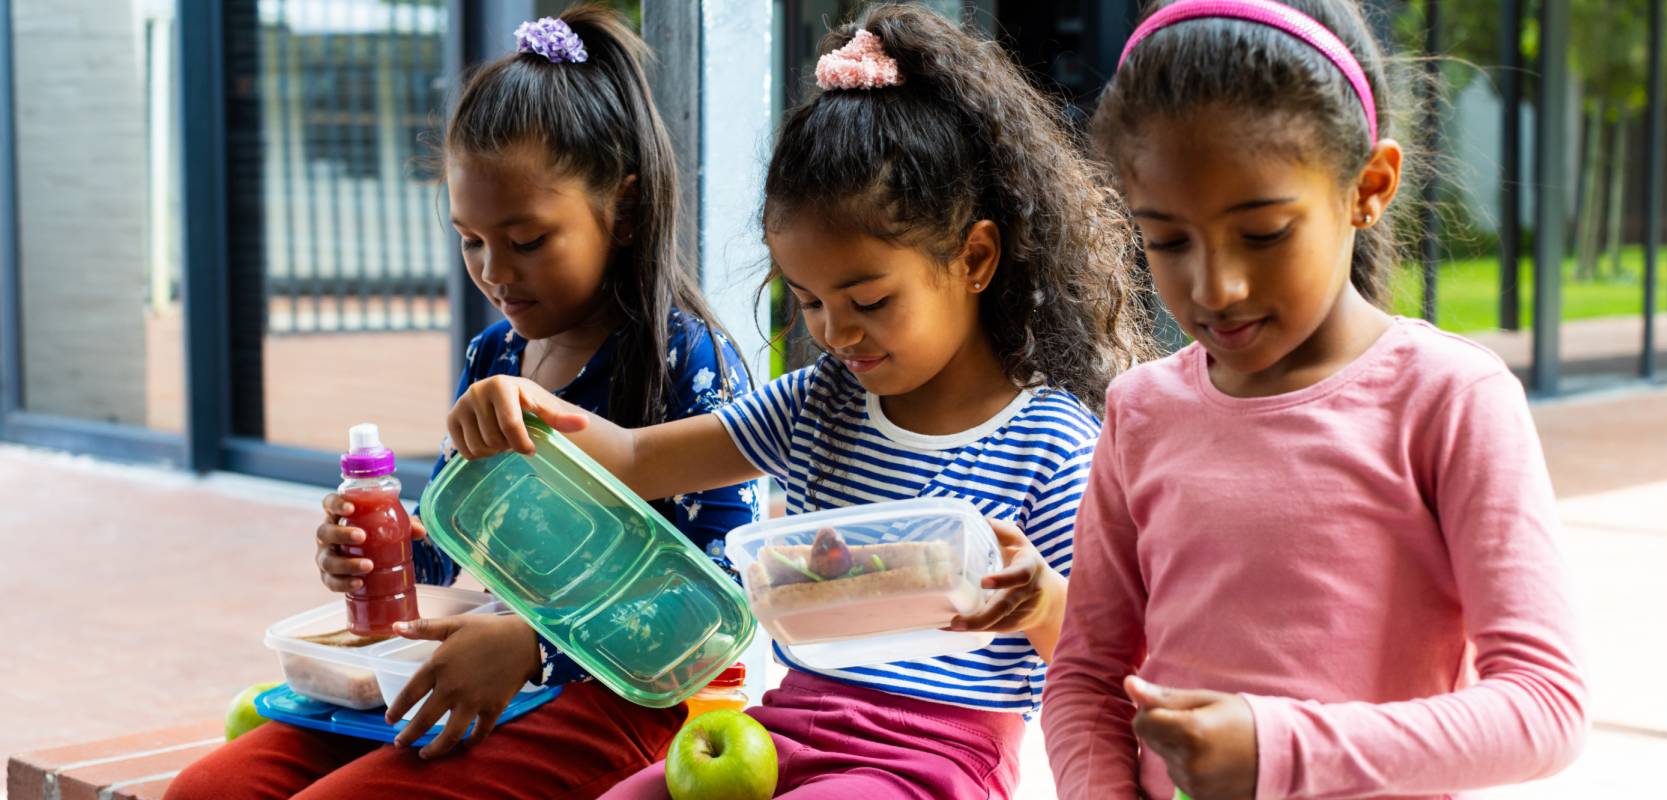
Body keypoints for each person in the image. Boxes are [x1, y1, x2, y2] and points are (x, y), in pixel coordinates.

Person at [448, 6, 1157, 797]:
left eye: (869, 299)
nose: (837, 333)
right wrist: (521, 408)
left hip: (935, 758)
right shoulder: (819, 401)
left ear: (975, 258)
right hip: (784, 728)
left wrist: (1040, 600)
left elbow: (1103, 658)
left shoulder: (1052, 441)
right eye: (810, 302)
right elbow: (638, 459)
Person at [166, 9, 759, 799]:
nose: (494, 271)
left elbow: (718, 600)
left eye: (527, 240)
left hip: (617, 703)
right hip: (485, 679)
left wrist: (531, 647)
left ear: (622, 208)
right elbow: (465, 556)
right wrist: (385, 553)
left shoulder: (686, 361)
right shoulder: (495, 358)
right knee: (211, 790)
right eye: (470, 239)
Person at [1043, 1, 1588, 798]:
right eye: (1165, 239)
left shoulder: (1449, 399)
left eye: (1262, 233)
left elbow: (1546, 706)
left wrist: (1280, 748)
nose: (1214, 287)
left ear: (1369, 187)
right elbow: (1086, 677)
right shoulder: (1141, 411)